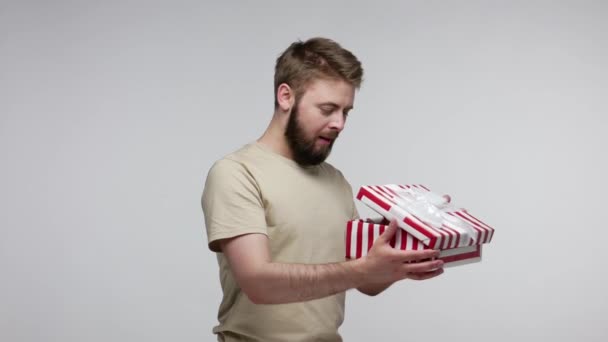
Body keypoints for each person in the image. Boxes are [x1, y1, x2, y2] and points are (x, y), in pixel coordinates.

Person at [201, 37, 444, 342]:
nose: (339, 123)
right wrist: (361, 271)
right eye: (328, 109)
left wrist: (402, 260)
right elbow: (258, 283)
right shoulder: (237, 173)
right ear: (286, 96)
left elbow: (366, 281)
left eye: (346, 112)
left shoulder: (336, 181)